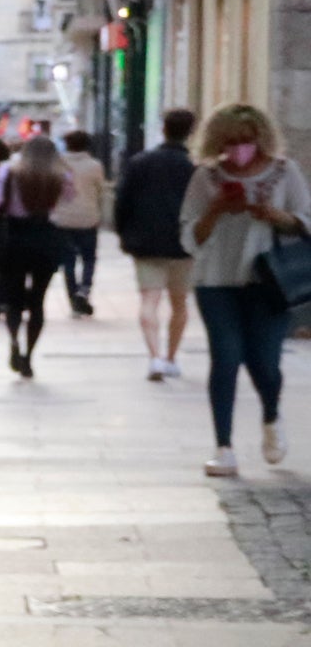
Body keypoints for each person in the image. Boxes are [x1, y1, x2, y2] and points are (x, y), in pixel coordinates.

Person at [187, 103, 302, 477]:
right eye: (231, 142)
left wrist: (276, 215)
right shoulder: (206, 178)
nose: (239, 149)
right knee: (226, 357)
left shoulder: (285, 173)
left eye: (247, 141)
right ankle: (223, 446)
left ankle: (271, 415)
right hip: (216, 281)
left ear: (260, 139)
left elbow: (305, 219)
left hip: (270, 283)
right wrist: (217, 209)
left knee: (265, 362)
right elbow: (190, 238)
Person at [0, 132, 73, 380]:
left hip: (13, 238)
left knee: (13, 298)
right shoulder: (60, 175)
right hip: (46, 236)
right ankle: (29, 354)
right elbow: (69, 199)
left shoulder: (9, 171)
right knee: (38, 300)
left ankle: (14, 340)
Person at [120, 107, 203, 381]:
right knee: (179, 303)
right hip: (184, 244)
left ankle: (154, 357)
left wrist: (125, 235)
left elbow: (123, 202)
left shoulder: (140, 162)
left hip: (146, 242)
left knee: (150, 300)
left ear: (163, 128)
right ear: (190, 132)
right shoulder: (195, 167)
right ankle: (171, 357)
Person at [54, 131, 111, 317]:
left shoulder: (58, 164)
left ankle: (73, 299)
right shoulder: (95, 166)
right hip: (88, 217)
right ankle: (84, 290)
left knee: (68, 261)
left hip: (62, 219)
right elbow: (101, 191)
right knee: (89, 258)